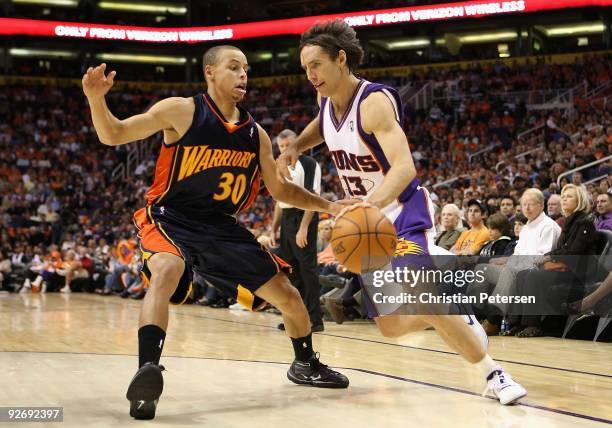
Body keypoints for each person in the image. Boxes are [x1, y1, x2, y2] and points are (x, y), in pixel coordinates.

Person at [82, 46, 349, 420]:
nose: (243, 75)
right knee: (166, 270)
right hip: (170, 216)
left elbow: (283, 191)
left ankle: (305, 363)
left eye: (246, 69)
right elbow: (113, 134)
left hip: (221, 227)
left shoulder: (255, 134)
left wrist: (330, 206)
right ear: (210, 72)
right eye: (233, 67)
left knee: (289, 296)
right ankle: (147, 375)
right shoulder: (181, 110)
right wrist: (96, 99)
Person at [277, 19, 526, 405]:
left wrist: (371, 203)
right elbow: (322, 125)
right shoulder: (324, 99)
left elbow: (405, 167)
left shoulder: (373, 102)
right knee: (391, 326)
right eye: (305, 68)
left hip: (400, 214)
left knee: (424, 297)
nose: (310, 75)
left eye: (316, 65)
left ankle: (494, 375)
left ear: (341, 59)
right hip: (367, 227)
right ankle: (455, 313)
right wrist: (296, 146)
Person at [505, 184, 600, 337]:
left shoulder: (585, 221)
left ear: (580, 200)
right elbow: (561, 249)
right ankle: (516, 323)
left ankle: (533, 324)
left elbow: (574, 251)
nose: (564, 200)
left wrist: (549, 257)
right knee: (523, 274)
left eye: (569, 197)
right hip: (565, 267)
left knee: (533, 275)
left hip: (579, 271)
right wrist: (547, 257)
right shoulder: (569, 221)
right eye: (563, 197)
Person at [271, 129, 324, 332]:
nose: (285, 149)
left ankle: (314, 320)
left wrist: (303, 228)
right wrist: (274, 227)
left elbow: (312, 197)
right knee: (291, 271)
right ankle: (296, 318)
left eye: (288, 145)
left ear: (297, 144)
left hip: (304, 216)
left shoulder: (309, 164)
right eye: (282, 146)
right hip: (286, 218)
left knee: (307, 270)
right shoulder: (279, 165)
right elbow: (279, 200)